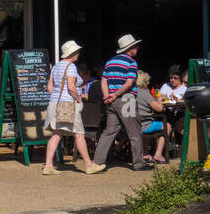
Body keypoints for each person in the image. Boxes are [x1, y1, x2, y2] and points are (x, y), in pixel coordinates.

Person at [43, 40, 101, 174]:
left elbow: (49, 87)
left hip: (54, 103)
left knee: (56, 134)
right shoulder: (71, 67)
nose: (79, 54)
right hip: (68, 104)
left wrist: (58, 95)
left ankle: (49, 165)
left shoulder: (56, 67)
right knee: (79, 134)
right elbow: (71, 87)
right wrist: (78, 99)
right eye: (77, 52)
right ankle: (89, 165)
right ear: (72, 53)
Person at [92, 34, 147, 171]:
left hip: (111, 101)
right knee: (134, 132)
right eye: (135, 46)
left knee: (109, 131)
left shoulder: (110, 62)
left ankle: (97, 162)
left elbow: (103, 81)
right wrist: (116, 94)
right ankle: (139, 163)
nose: (137, 48)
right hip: (126, 99)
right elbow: (129, 83)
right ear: (130, 49)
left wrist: (107, 96)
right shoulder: (132, 63)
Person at [135, 71, 169, 164]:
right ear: (144, 81)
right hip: (145, 125)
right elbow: (159, 108)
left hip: (134, 125)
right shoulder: (144, 92)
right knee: (168, 126)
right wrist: (159, 100)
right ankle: (158, 154)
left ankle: (145, 154)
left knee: (146, 123)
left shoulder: (131, 92)